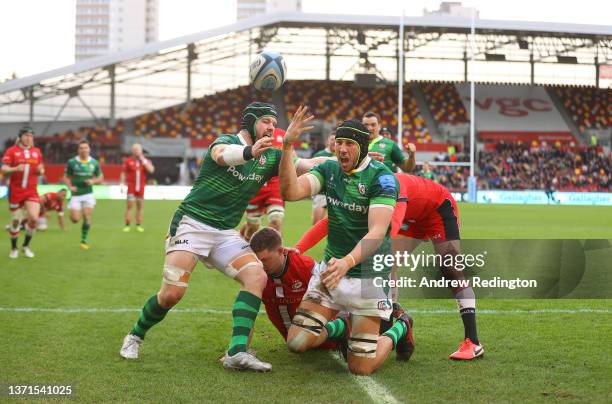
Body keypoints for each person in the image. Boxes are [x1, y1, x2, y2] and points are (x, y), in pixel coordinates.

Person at [119, 102, 324, 372]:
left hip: (225, 232)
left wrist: (354, 162)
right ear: (250, 123)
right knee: (171, 294)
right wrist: (250, 151)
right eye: (265, 122)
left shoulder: (272, 156)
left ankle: (236, 352)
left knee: (256, 276)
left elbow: (308, 164)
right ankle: (134, 336)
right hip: (192, 224)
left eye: (274, 124)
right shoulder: (226, 141)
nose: (271, 127)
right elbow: (220, 155)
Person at [279, 114, 414, 375]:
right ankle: (341, 328)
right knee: (296, 342)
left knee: (360, 368)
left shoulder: (382, 179)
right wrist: (287, 146)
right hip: (331, 273)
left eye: (349, 144)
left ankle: (401, 326)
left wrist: (348, 262)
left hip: (368, 276)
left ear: (363, 147)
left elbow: (376, 232)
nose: (342, 148)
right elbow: (291, 192)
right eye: (339, 142)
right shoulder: (329, 170)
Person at [295, 173, 484, 360]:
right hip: (411, 217)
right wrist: (297, 249)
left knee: (450, 269)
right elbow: (329, 222)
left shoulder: (389, 189)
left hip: (437, 209)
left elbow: (389, 231)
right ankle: (391, 326)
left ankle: (473, 342)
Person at [249, 227, 335, 349]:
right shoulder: (255, 274)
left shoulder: (305, 266)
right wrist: (239, 348)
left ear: (280, 251)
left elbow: (334, 295)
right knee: (296, 344)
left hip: (327, 335)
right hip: (294, 338)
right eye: (258, 260)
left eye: (265, 260)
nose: (261, 265)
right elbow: (247, 314)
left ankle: (341, 327)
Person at [1, 126, 44, 258]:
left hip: (31, 192)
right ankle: (14, 248)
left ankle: (26, 246)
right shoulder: (11, 151)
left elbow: (41, 168)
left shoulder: (37, 152)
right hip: (16, 192)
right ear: (20, 137)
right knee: (15, 221)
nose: (29, 138)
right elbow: (4, 168)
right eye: (26, 135)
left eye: (31, 136)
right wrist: (15, 169)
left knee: (34, 218)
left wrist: (40, 171)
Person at [240, 128, 287, 241]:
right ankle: (243, 239)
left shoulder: (282, 134)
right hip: (255, 184)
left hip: (274, 184)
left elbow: (290, 155)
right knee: (253, 226)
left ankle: (271, 252)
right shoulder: (250, 134)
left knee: (276, 219)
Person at [63, 140, 104, 249]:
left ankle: (83, 240)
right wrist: (70, 187)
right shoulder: (72, 162)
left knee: (87, 216)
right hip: (76, 195)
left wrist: (93, 181)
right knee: (75, 219)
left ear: (89, 149)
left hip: (88, 194)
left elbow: (100, 178)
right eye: (81, 148)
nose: (83, 150)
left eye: (86, 147)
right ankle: (73, 212)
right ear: (78, 150)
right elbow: (66, 176)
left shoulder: (94, 163)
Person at [120, 143, 155, 232]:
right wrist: (121, 184)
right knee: (129, 206)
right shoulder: (128, 161)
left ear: (141, 151)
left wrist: (143, 160)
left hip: (141, 187)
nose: (136, 151)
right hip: (131, 187)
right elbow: (123, 173)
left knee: (140, 207)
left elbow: (151, 170)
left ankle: (138, 225)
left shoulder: (145, 161)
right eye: (135, 149)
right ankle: (127, 225)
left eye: (138, 149)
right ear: (132, 151)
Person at [311, 129, 336, 225]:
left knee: (335, 226)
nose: (334, 142)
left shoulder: (341, 154)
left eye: (336, 140)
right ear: (327, 141)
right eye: (332, 139)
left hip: (335, 193)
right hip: (321, 192)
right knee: (316, 223)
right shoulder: (320, 155)